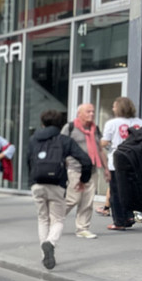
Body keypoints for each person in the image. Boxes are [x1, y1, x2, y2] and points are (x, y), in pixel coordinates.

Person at [28, 110, 92, 270]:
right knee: (58, 219)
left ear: (42, 123)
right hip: (57, 184)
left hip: (37, 183)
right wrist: (83, 180)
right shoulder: (64, 140)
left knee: (43, 218)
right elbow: (86, 160)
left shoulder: (33, 139)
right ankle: (50, 243)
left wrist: (31, 181)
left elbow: (28, 161)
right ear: (60, 124)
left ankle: (45, 256)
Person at [60, 103, 110, 238]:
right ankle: (54, 221)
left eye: (93, 111)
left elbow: (100, 149)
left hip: (92, 170)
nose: (92, 114)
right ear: (79, 113)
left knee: (87, 201)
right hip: (75, 169)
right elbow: (60, 147)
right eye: (88, 111)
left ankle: (82, 228)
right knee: (72, 199)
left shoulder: (95, 129)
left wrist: (106, 169)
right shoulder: (70, 128)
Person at [101, 96, 142, 230]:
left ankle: (119, 221)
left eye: (114, 106)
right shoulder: (141, 123)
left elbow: (105, 141)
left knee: (117, 192)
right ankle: (130, 216)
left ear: (119, 108)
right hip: (137, 162)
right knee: (132, 191)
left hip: (117, 162)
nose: (113, 108)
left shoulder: (112, 123)